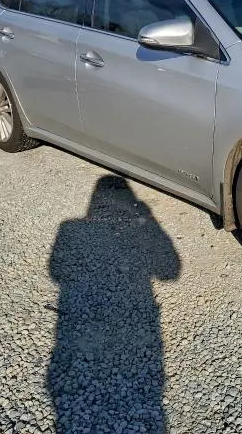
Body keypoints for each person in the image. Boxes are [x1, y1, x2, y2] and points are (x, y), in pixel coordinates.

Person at [48, 175, 181, 433]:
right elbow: (170, 271)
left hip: (76, 337)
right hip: (142, 333)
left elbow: (56, 271)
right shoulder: (137, 221)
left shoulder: (70, 228)